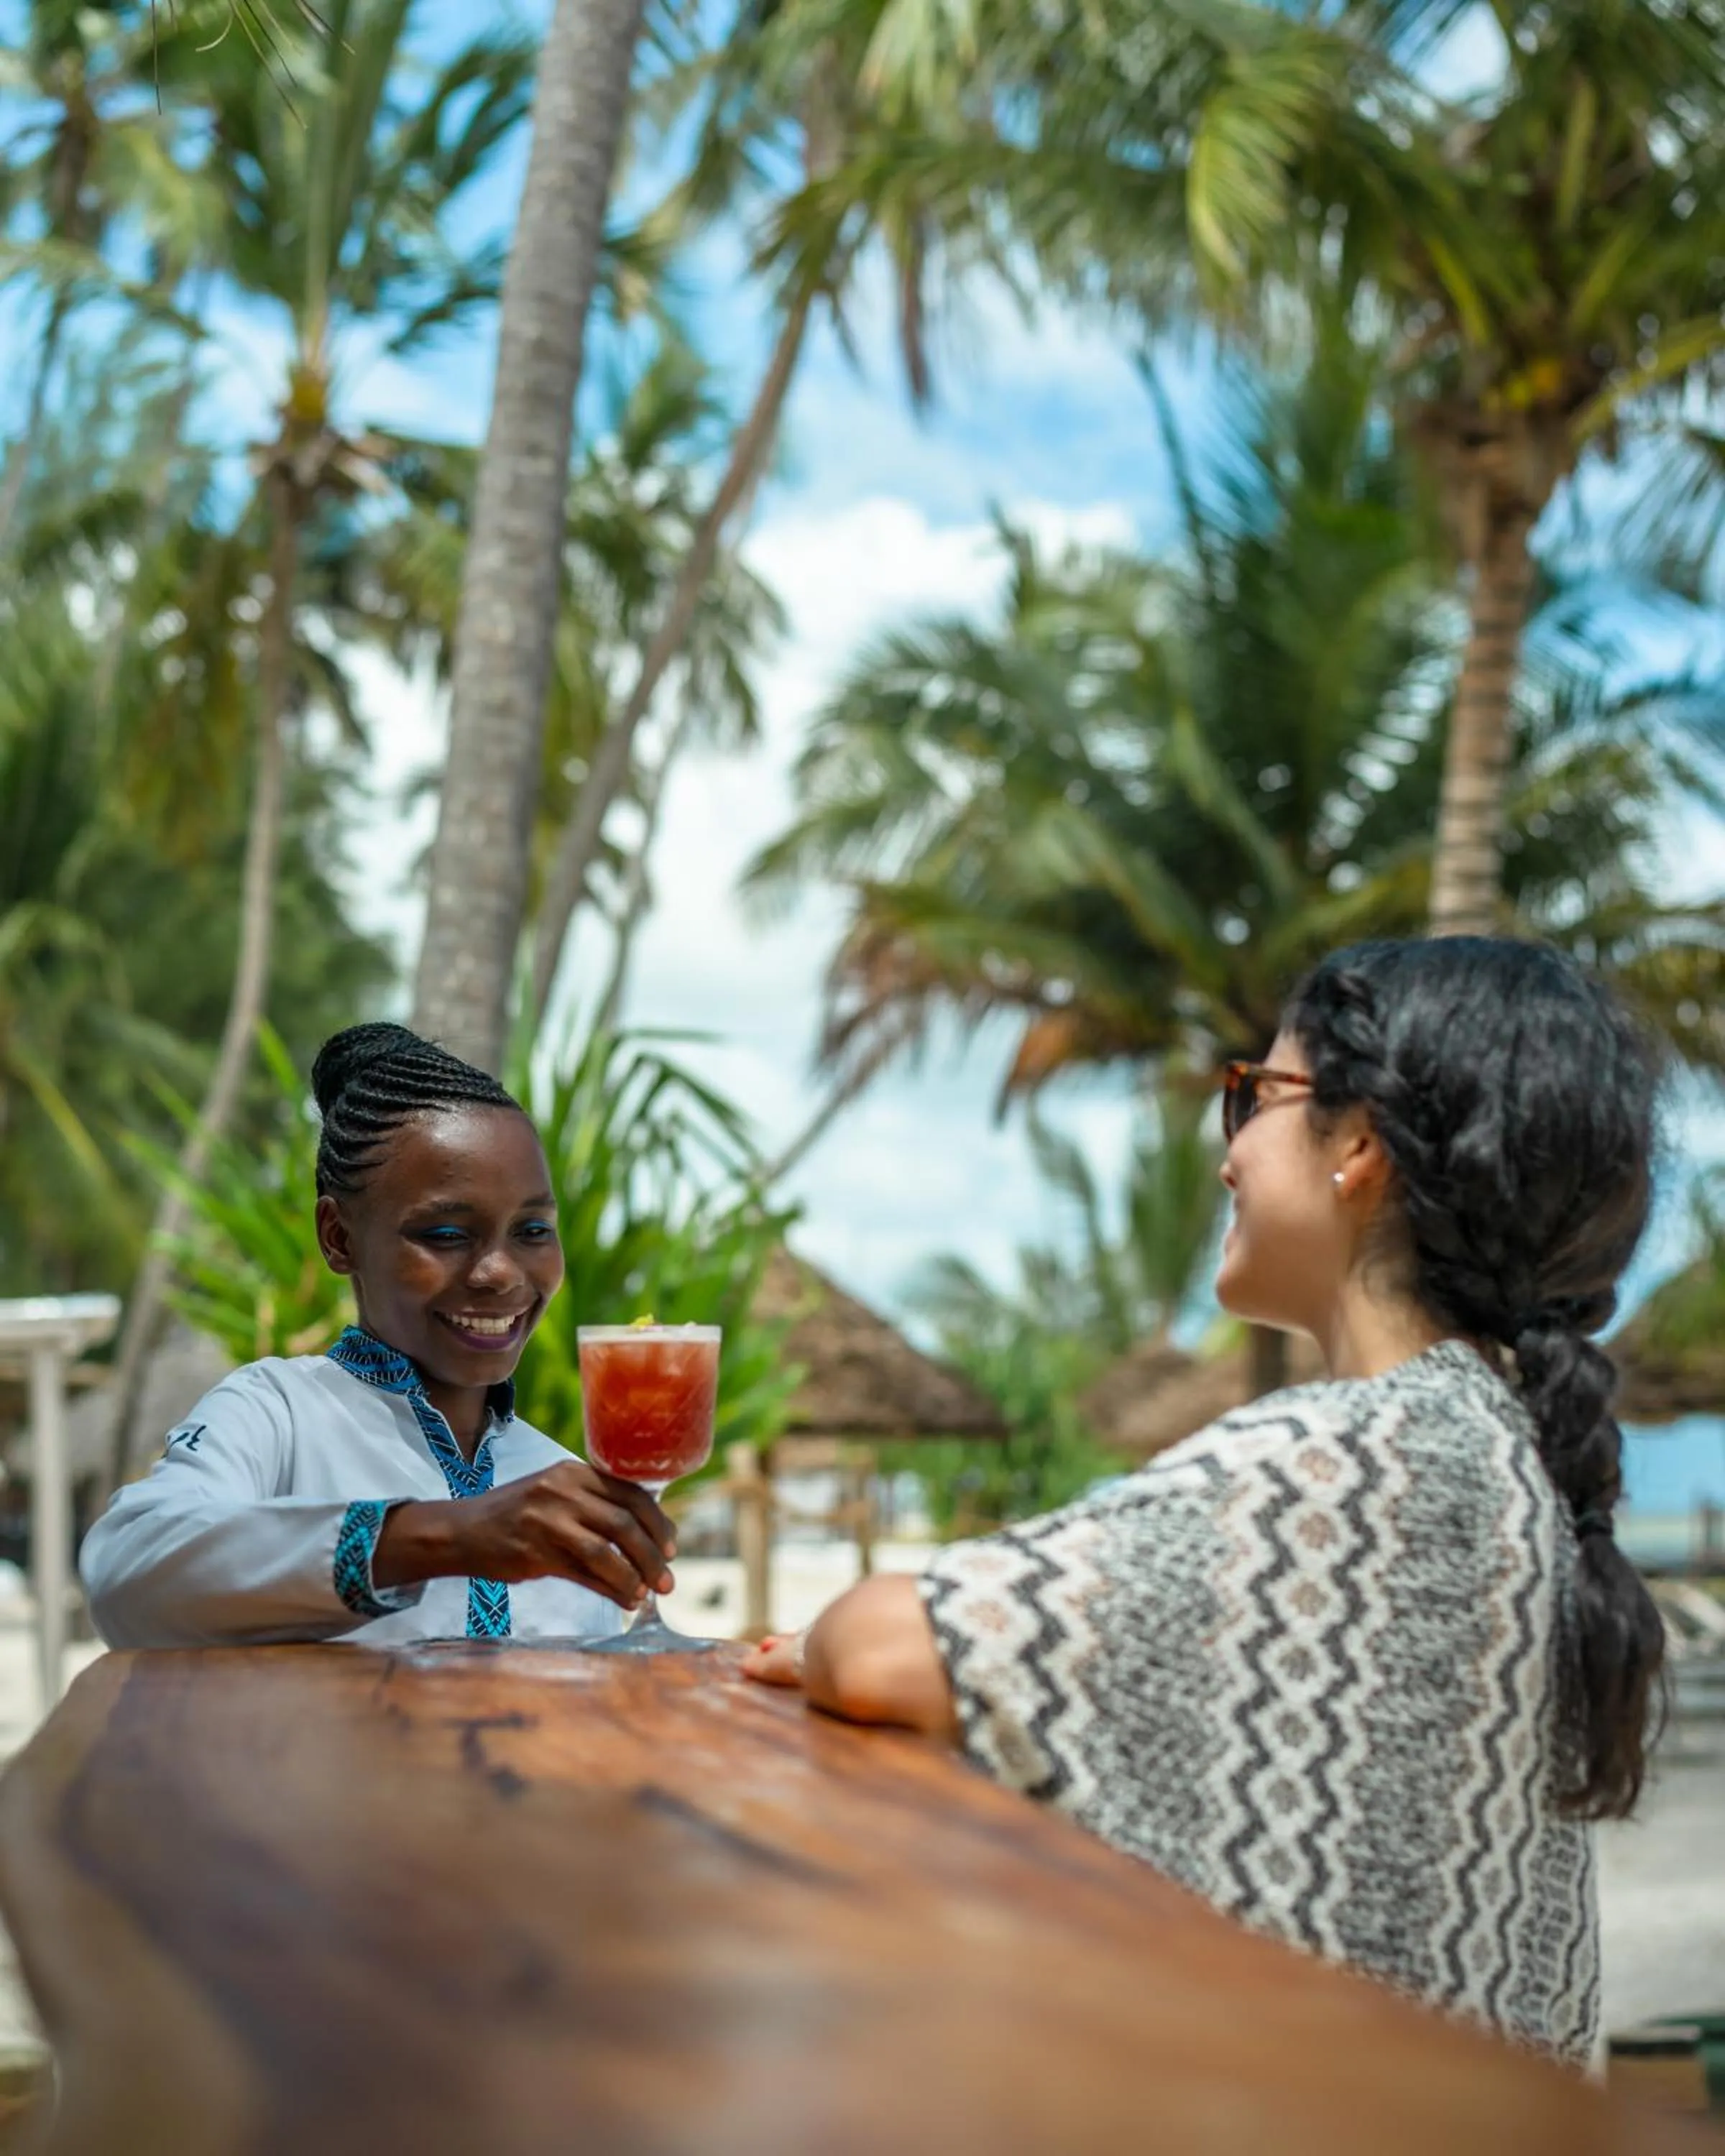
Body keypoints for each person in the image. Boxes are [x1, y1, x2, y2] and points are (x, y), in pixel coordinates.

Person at [744, 937, 1668, 2063]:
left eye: (1255, 1098)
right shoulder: (1503, 1447)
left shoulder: (1360, 1454)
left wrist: (889, 1622)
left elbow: (887, 1648)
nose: (1227, 1151)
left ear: (1362, 1140)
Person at [81, 1023, 678, 1648]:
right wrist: (444, 1537)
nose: (500, 1273)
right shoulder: (278, 1414)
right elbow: (126, 1572)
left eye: (532, 1231)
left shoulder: (562, 1483)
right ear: (339, 1238)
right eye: (446, 1234)